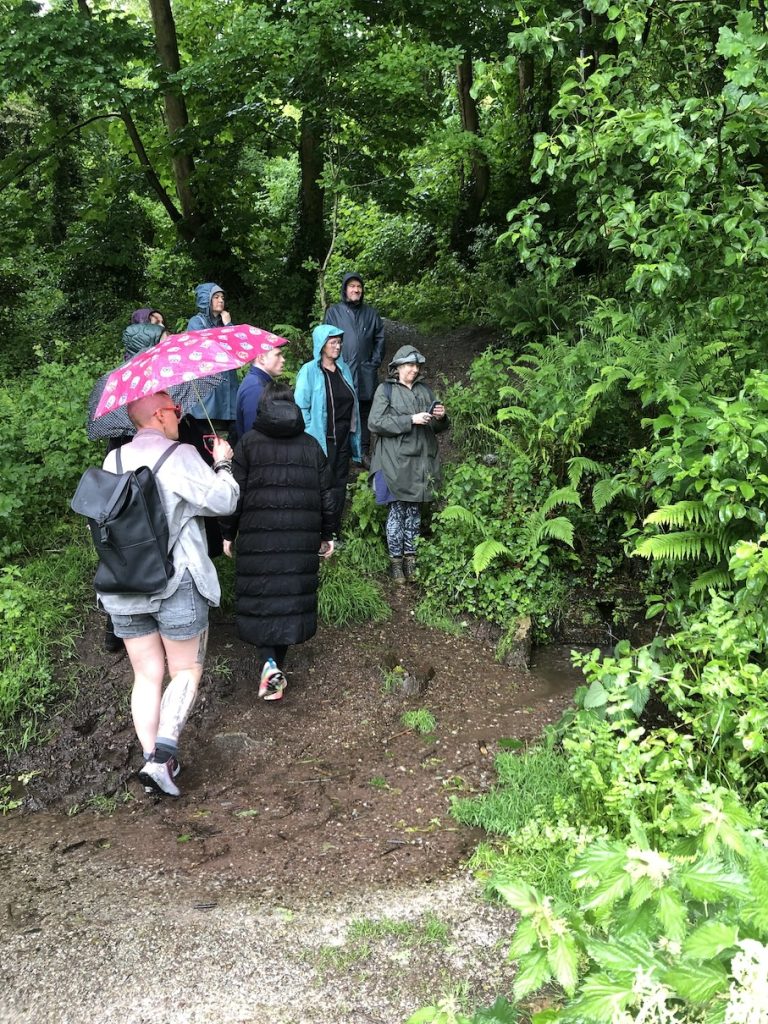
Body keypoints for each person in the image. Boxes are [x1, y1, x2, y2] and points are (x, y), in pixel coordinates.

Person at [98, 390, 239, 796]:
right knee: (185, 670)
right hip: (175, 582)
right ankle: (162, 759)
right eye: (175, 411)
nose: (180, 417)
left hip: (123, 585)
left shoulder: (114, 460)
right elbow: (225, 501)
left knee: (145, 674)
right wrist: (223, 463)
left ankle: (152, 758)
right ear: (159, 415)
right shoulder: (179, 457)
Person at [221, 382, 335, 700]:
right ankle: (275, 665)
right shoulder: (311, 445)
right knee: (288, 600)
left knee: (263, 598)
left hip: (257, 538)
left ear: (262, 407)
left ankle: (269, 663)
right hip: (301, 539)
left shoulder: (247, 445)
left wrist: (228, 533)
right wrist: (328, 534)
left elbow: (234, 494)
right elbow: (328, 496)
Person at [367, 346, 448, 583]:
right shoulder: (386, 390)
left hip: (421, 461)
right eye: (409, 365)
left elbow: (437, 427)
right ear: (398, 367)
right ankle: (395, 564)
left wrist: (440, 417)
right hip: (394, 461)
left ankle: (411, 561)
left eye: (417, 366)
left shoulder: (424, 390)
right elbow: (375, 423)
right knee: (396, 512)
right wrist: (410, 420)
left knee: (413, 513)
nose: (414, 369)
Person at [294, 324, 361, 538]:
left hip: (343, 438)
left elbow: (353, 404)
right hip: (321, 439)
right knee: (320, 484)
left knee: (339, 483)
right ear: (321, 345)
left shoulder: (344, 369)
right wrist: (308, 433)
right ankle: (315, 531)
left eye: (339, 342)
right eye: (333, 342)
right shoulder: (310, 371)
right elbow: (301, 406)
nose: (337, 346)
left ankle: (333, 531)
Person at [324, 273, 385, 466]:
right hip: (341, 370)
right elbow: (326, 338)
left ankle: (364, 453)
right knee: (342, 410)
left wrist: (374, 362)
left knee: (365, 411)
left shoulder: (371, 314)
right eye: (352, 286)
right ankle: (344, 452)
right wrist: (333, 364)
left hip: (366, 371)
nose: (356, 289)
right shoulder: (334, 312)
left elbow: (380, 339)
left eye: (359, 286)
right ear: (345, 289)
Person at [186, 283, 239, 431]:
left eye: (222, 297)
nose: (221, 300)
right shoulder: (196, 323)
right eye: (216, 297)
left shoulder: (226, 323)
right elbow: (206, 351)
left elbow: (237, 349)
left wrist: (229, 325)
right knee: (206, 436)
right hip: (208, 389)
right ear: (206, 300)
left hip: (228, 390)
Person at [233, 336, 290, 444]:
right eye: (278, 355)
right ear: (262, 358)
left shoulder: (258, 382)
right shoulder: (256, 388)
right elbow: (254, 437)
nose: (283, 359)